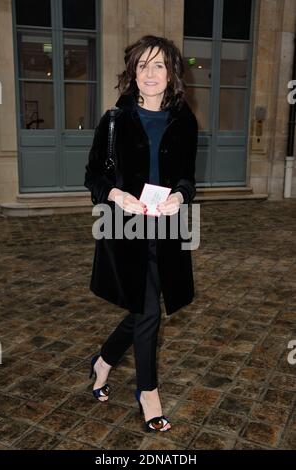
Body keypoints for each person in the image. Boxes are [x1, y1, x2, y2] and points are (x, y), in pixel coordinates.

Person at [84, 35, 198, 433]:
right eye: (143, 65)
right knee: (148, 311)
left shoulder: (184, 120)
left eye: (160, 65)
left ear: (172, 74)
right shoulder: (114, 119)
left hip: (166, 229)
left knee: (143, 310)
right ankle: (148, 392)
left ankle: (103, 361)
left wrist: (181, 197)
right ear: (133, 72)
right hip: (124, 229)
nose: (151, 73)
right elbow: (93, 174)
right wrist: (115, 194)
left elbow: (187, 176)